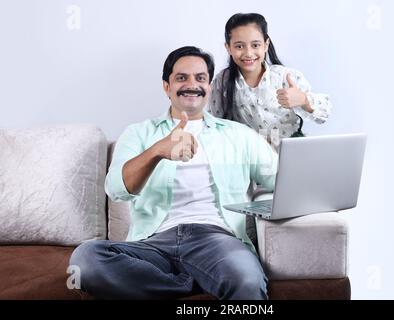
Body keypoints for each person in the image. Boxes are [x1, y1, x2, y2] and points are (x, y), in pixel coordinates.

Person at [69, 46, 278, 300]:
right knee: (85, 260)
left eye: (200, 78)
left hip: (216, 240)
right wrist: (157, 151)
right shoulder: (139, 133)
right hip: (153, 244)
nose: (192, 84)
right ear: (167, 87)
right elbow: (115, 189)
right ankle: (192, 283)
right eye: (182, 78)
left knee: (247, 280)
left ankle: (191, 281)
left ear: (209, 87)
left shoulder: (238, 135)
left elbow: (280, 179)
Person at [208, 13, 332, 141]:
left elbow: (324, 113)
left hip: (288, 154)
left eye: (255, 45)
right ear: (228, 48)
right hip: (247, 157)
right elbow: (213, 123)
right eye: (239, 46)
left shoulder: (286, 77)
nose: (248, 53)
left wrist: (304, 100)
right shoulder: (222, 81)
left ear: (266, 44)